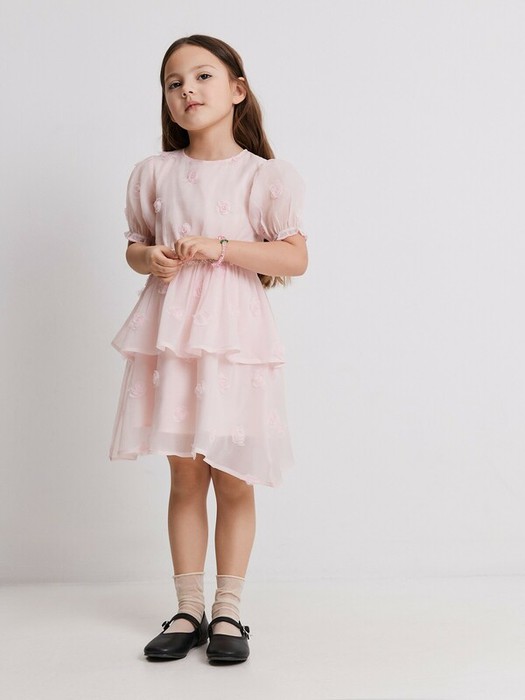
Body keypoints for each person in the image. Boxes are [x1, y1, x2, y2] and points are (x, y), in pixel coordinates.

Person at [109, 34, 308, 665]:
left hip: (235, 343)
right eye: (174, 83)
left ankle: (228, 609)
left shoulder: (264, 176)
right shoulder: (155, 173)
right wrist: (151, 258)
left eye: (202, 76)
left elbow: (293, 257)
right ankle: (187, 607)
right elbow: (135, 246)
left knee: (235, 475)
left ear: (237, 90)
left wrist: (221, 248)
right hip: (175, 338)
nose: (188, 90)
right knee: (185, 474)